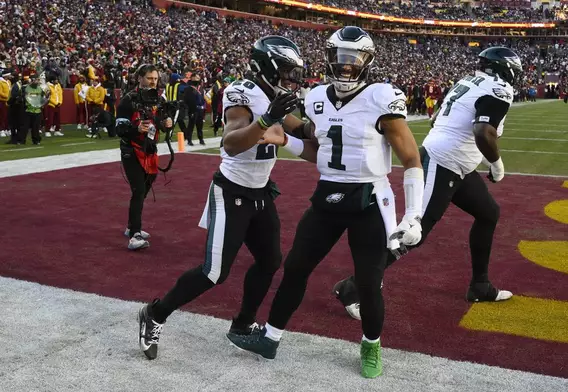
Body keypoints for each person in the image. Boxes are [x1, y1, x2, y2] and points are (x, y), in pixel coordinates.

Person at [226, 26, 424, 379]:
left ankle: (371, 345)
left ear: (367, 62)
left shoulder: (381, 97)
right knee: (296, 268)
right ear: (329, 58)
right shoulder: (317, 97)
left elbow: (411, 158)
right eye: (340, 59)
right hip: (328, 196)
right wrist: (285, 139)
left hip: (369, 198)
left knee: (368, 282)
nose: (346, 67)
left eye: (353, 60)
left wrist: (413, 214)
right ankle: (270, 338)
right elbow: (320, 152)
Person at [136, 36, 305, 361]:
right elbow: (230, 142)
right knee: (214, 273)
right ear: (266, 68)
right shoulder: (242, 92)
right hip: (232, 191)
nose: (290, 78)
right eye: (285, 71)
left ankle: (242, 325)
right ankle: (155, 314)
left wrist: (335, 129)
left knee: (270, 260)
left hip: (260, 191)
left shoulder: (273, 96)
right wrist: (267, 120)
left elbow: (301, 128)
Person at [332, 47, 519, 320]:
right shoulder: (498, 88)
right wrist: (496, 163)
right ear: (508, 70)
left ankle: (480, 285)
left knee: (489, 213)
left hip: (456, 166)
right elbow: (483, 131)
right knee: (413, 233)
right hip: (442, 163)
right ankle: (351, 288)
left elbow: (436, 120)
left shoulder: (467, 82)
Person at [115, 64, 173, 250]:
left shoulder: (159, 99)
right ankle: (135, 234)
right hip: (131, 149)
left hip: (150, 149)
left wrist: (167, 123)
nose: (153, 82)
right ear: (139, 78)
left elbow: (162, 123)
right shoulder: (128, 100)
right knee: (138, 189)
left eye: (155, 79)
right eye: (150, 78)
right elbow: (119, 128)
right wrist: (135, 128)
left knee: (148, 183)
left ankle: (133, 224)